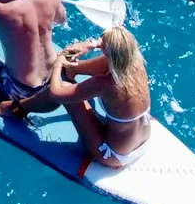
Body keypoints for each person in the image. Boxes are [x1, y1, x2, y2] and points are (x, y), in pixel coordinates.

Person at [43, 26, 153, 169]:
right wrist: (91, 44)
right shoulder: (136, 64)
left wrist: (58, 64)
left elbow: (55, 94)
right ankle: (70, 68)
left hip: (113, 155)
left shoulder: (105, 84)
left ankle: (19, 108)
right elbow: (112, 52)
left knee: (63, 86)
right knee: (95, 64)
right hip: (144, 141)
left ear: (106, 50)